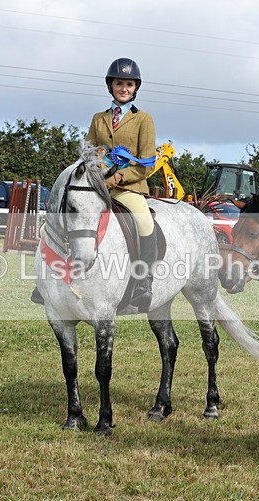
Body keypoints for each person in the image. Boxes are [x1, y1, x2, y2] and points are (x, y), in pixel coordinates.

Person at [86, 57, 158, 311]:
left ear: (135, 88)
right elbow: (89, 152)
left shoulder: (144, 120)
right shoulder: (98, 118)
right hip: (98, 185)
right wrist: (97, 172)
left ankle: (144, 282)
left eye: (129, 84)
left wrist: (116, 178)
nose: (124, 88)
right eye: (119, 83)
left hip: (129, 188)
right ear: (111, 86)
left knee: (145, 222)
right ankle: (51, 278)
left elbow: (147, 163)